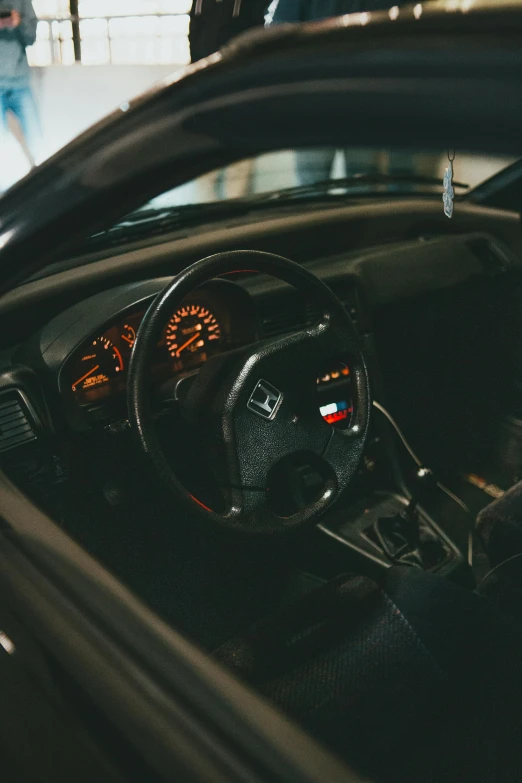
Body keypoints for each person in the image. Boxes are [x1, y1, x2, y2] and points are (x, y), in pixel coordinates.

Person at [269, 0, 411, 185]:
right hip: (363, 100)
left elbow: (278, 37)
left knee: (312, 187)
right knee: (361, 182)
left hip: (317, 100)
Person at [189, 0, 270, 200]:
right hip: (205, 88)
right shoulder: (199, 2)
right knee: (205, 159)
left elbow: (258, 33)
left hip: (241, 88)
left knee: (239, 161)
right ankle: (205, 217)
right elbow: (193, 35)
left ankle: (235, 216)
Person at [0, 0, 40, 168]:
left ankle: (44, 185)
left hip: (20, 81)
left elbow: (31, 37)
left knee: (37, 141)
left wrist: (18, 23)